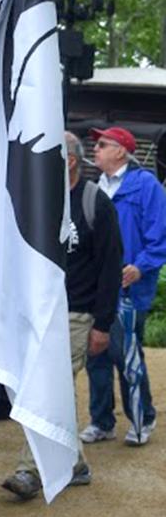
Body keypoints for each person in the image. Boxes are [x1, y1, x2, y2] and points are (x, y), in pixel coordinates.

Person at [2, 131, 123, 499]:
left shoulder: (94, 202)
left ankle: (29, 469)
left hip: (77, 314)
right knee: (54, 388)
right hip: (39, 313)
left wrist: (103, 324)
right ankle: (75, 463)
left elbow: (110, 266)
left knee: (44, 384)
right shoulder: (38, 200)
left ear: (69, 160)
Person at [81, 126, 166, 446]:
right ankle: (101, 421)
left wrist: (140, 267)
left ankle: (143, 417)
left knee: (124, 354)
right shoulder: (94, 188)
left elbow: (160, 235)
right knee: (95, 353)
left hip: (129, 287)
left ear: (121, 151)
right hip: (97, 288)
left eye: (103, 144)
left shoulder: (146, 186)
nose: (96, 148)